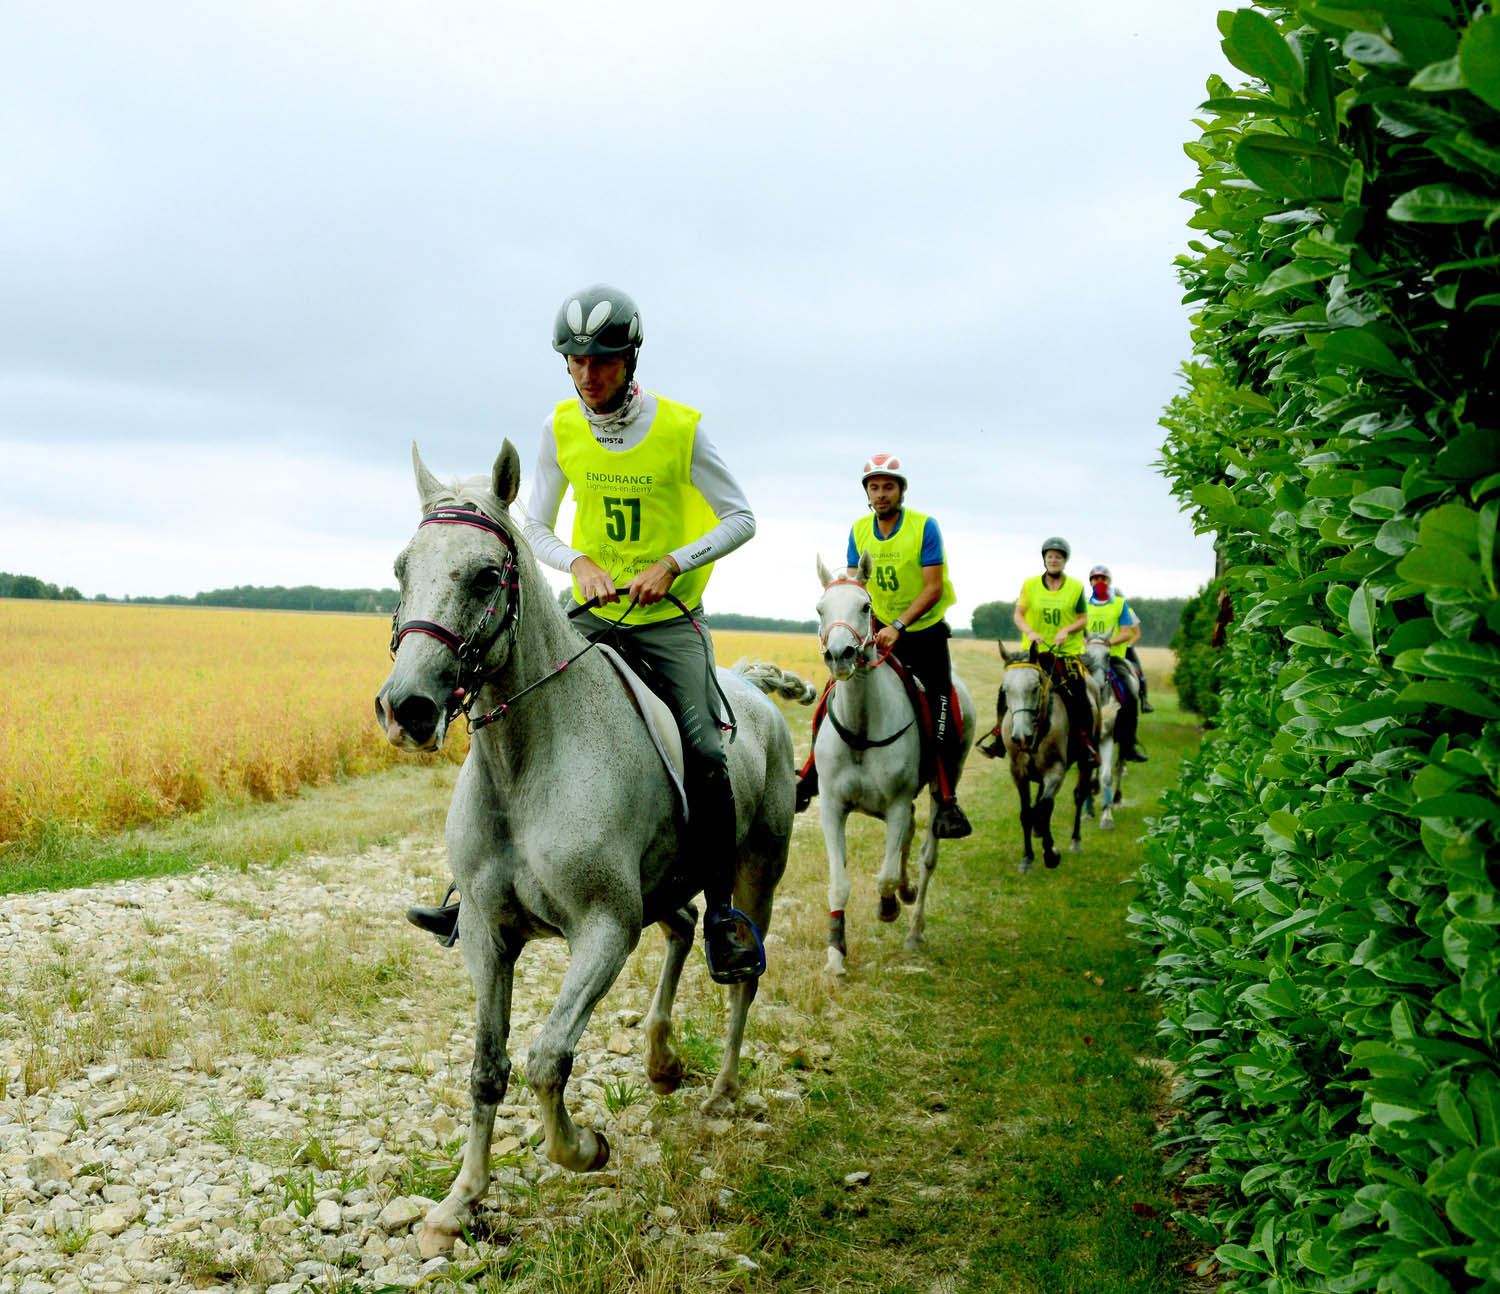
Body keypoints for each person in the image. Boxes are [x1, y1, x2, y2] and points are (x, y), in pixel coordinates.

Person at [406, 283, 766, 985]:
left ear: (631, 358)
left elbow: (741, 517)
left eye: (600, 360)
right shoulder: (560, 430)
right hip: (590, 611)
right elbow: (530, 522)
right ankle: (474, 892)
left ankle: (721, 914)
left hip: (666, 621)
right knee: (503, 706)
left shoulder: (682, 429)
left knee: (704, 749)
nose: (586, 375)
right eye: (573, 361)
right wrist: (577, 561)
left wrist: (675, 562)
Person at [794, 452, 972, 839]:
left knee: (944, 704)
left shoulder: (925, 527)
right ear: (867, 493)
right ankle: (810, 775)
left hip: (922, 632)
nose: (881, 493)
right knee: (832, 695)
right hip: (875, 631)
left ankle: (946, 797)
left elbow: (933, 587)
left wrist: (899, 625)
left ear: (900, 490)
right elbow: (858, 586)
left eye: (888, 486)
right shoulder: (859, 529)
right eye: (874, 487)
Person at [1008, 537, 1096, 763]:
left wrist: (1067, 629)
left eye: (1058, 557)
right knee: (1010, 688)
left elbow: (1083, 619)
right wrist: (1029, 631)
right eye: (1050, 556)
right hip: (1034, 655)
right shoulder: (1030, 585)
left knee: (1079, 694)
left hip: (1064, 654)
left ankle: (1085, 741)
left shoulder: (1076, 587)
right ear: (1044, 559)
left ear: (1064, 560)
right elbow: (1018, 614)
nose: (1054, 560)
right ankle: (1000, 738)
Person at [1084, 564, 1148, 762]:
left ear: (1108, 582)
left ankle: (1128, 745)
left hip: (1113, 657)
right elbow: (1077, 629)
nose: (1099, 582)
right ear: (1091, 582)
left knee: (1130, 693)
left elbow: (1127, 632)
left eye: (1103, 579)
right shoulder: (1083, 604)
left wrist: (1107, 644)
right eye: (1095, 579)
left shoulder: (1120, 604)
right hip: (1087, 657)